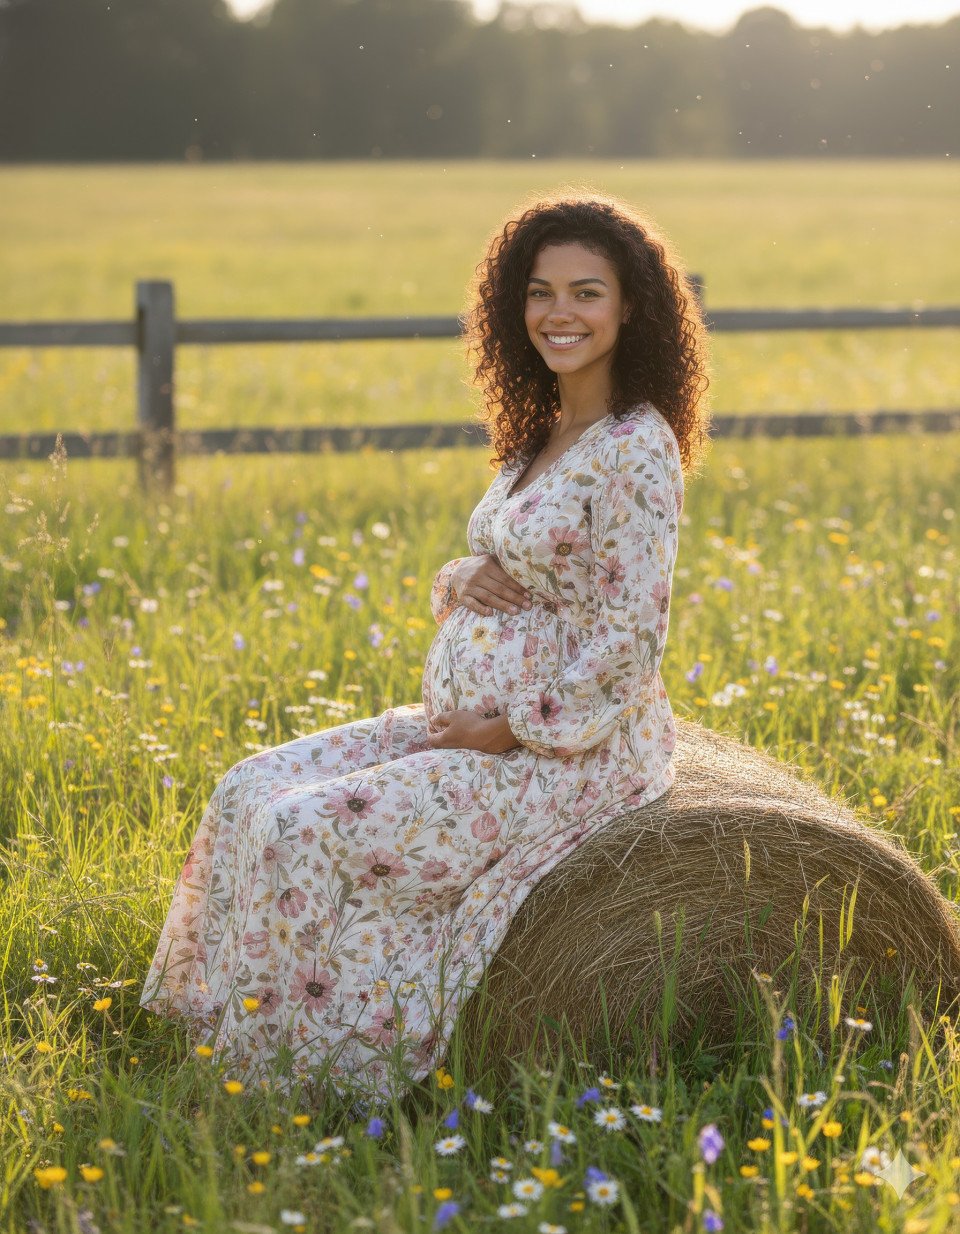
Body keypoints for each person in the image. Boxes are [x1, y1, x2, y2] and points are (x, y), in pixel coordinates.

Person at [138, 191, 712, 1107]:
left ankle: (307, 1080)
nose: (558, 314)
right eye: (539, 292)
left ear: (632, 306)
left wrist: (512, 726)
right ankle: (221, 1035)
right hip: (474, 724)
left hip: (567, 750)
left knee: (305, 826)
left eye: (586, 293)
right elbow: (510, 561)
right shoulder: (540, 433)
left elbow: (631, 640)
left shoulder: (635, 446)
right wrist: (459, 578)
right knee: (248, 786)